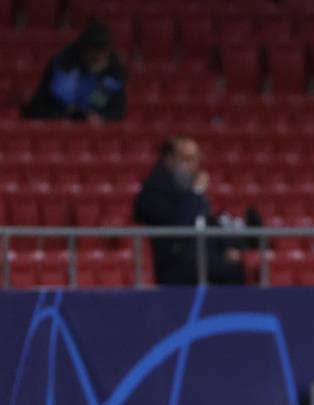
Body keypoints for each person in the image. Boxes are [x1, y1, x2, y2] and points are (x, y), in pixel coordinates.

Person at [134, 137, 246, 285]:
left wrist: (226, 247)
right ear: (170, 160)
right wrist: (195, 193)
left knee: (234, 263)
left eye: (195, 159)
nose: (193, 166)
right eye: (186, 159)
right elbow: (179, 227)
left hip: (200, 256)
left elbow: (206, 221)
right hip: (175, 262)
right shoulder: (156, 189)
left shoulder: (188, 187)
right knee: (228, 270)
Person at [22, 19, 126, 122]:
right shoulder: (66, 61)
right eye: (94, 55)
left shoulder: (113, 69)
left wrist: (96, 115)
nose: (98, 58)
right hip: (52, 116)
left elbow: (115, 110)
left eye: (102, 55)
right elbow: (61, 98)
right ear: (85, 50)